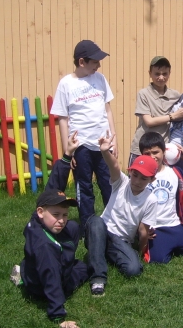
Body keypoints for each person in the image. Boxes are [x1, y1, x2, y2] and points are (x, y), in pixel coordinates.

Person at [50, 40, 117, 232]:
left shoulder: (100, 79)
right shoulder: (66, 84)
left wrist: (114, 138)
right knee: (84, 187)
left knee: (109, 183)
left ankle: (114, 223)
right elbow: (63, 118)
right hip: (81, 146)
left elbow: (107, 109)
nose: (98, 65)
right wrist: (68, 150)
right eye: (95, 62)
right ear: (81, 62)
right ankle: (88, 226)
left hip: (103, 144)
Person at [84, 133, 158, 296]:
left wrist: (140, 253)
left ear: (151, 180)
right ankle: (98, 279)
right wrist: (105, 151)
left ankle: (99, 252)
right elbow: (114, 166)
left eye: (143, 178)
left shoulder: (151, 200)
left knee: (134, 269)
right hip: (103, 230)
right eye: (135, 175)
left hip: (121, 241)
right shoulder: (122, 182)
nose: (137, 181)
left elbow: (143, 231)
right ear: (130, 172)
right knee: (95, 221)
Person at [15, 187, 87, 326]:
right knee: (83, 268)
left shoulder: (35, 222)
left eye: (65, 215)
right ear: (40, 212)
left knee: (72, 226)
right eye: (56, 214)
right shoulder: (45, 247)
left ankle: (23, 273)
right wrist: (58, 317)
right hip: (42, 286)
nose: (61, 220)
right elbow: (51, 277)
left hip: (32, 269)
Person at [128, 56, 183, 166]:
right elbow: (149, 122)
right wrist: (172, 116)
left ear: (169, 73)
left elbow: (181, 114)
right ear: (150, 73)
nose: (161, 77)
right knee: (138, 177)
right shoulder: (144, 94)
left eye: (165, 74)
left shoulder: (175, 95)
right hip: (142, 148)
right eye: (157, 74)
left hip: (162, 150)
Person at [140, 132, 183, 263]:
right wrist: (141, 229)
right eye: (147, 153)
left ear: (164, 152)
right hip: (155, 228)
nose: (152, 157)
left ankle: (174, 243)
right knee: (158, 260)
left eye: (156, 152)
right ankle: (166, 245)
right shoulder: (139, 177)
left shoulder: (175, 173)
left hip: (175, 224)